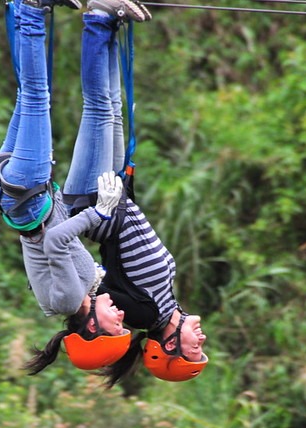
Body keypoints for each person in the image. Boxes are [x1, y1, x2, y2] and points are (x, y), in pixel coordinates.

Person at [29, 0, 209, 385]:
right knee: (110, 107)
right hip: (115, 197)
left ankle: (97, 19)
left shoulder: (141, 316)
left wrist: (99, 215)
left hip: (97, 201)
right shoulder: (164, 306)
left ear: (169, 346)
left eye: (195, 347)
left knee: (99, 109)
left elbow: (98, 286)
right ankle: (107, 22)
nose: (202, 339)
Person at [0, 0, 132, 371]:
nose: (120, 316)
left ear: (92, 328)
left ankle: (32, 10)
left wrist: (100, 211)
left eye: (115, 326)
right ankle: (26, 10)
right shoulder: (73, 298)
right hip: (18, 196)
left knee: (37, 96)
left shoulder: (69, 301)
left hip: (29, 196)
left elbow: (54, 241)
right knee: (26, 96)